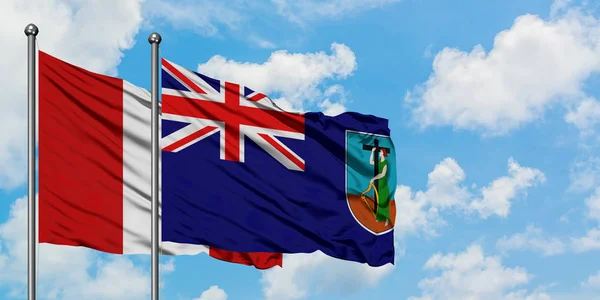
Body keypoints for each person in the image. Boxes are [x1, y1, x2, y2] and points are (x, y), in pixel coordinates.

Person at [369, 147, 391, 226]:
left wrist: (374, 178)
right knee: (379, 201)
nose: (379, 153)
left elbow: (382, 174)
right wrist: (372, 152)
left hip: (383, 184)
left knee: (383, 201)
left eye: (381, 152)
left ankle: (387, 219)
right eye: (379, 152)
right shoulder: (378, 161)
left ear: (384, 153)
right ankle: (380, 218)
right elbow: (371, 162)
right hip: (379, 183)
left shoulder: (385, 163)